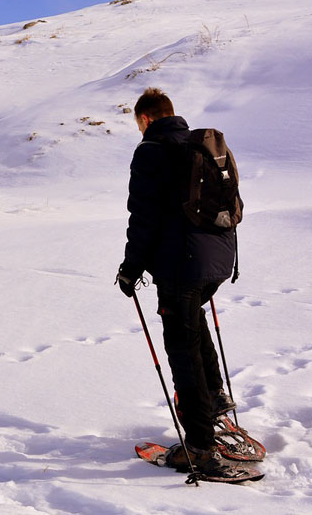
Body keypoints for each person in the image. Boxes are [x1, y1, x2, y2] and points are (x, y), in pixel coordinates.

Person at [114, 87, 239, 474]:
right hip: (218, 261)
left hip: (181, 264)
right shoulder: (202, 145)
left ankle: (200, 446)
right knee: (193, 325)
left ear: (146, 119)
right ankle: (215, 404)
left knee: (182, 352)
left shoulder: (151, 151)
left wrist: (130, 268)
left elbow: (144, 217)